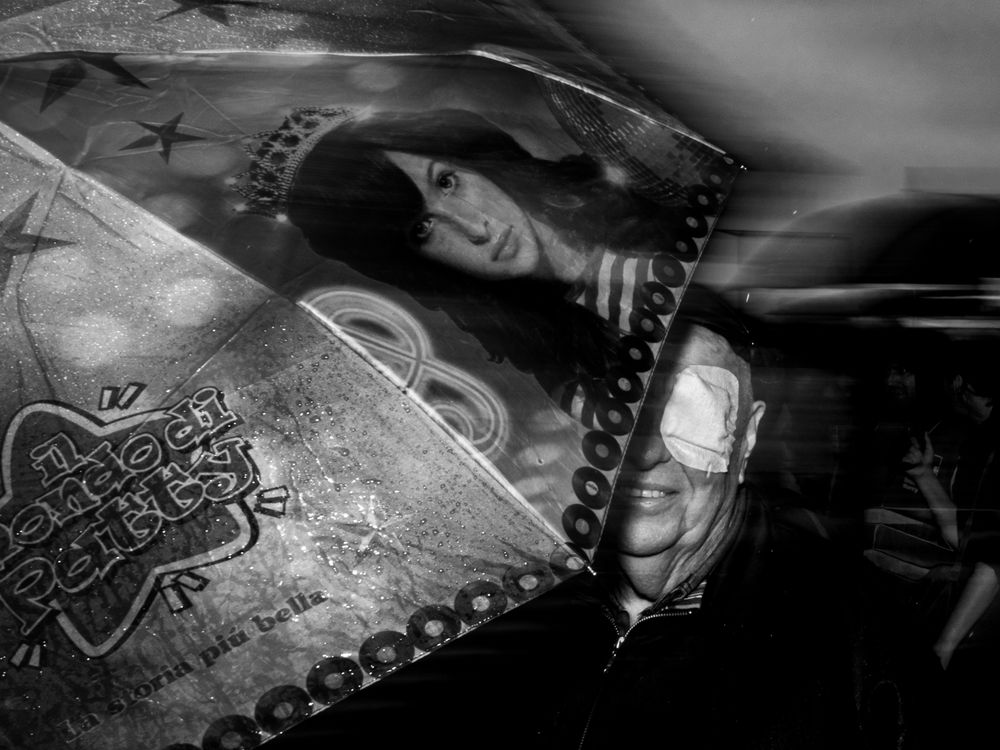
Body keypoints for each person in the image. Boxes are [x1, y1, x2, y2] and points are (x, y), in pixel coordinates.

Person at [265, 291, 941, 750]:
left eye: (694, 410)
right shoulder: (486, 604)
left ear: (747, 439)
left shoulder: (854, 645)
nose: (643, 453)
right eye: (620, 409)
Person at [235, 107, 706, 395]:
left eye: (447, 181)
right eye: (422, 228)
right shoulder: (566, 365)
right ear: (412, 263)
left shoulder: (644, 185)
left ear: (470, 159)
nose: (474, 227)